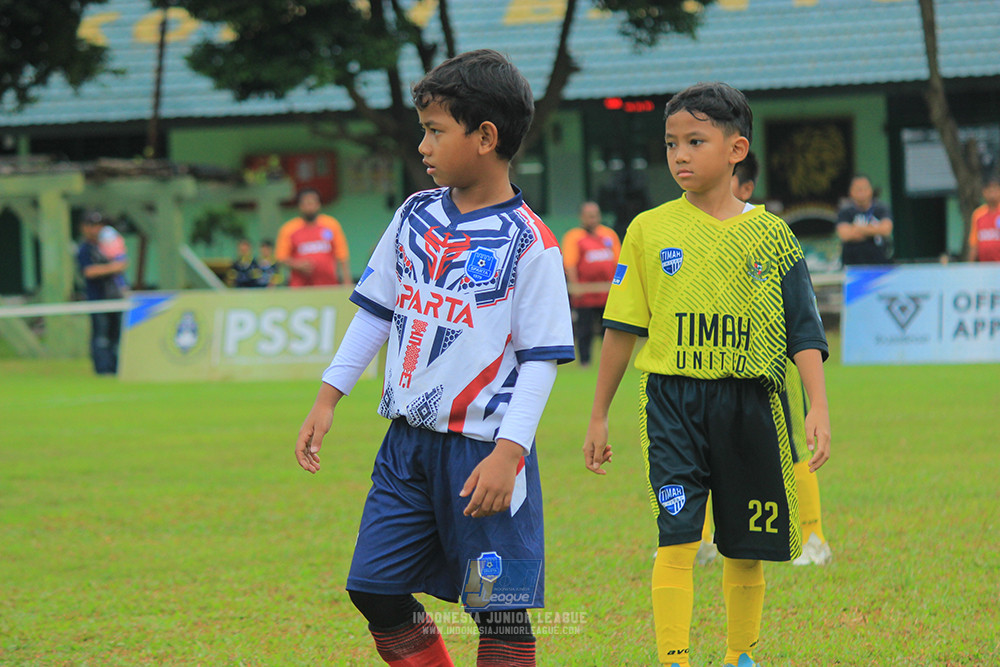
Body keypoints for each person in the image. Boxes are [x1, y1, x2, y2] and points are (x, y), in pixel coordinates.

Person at [294, 49, 574, 667]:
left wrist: (510, 453)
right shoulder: (413, 216)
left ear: (485, 137)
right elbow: (375, 314)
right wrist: (327, 397)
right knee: (373, 586)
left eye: (435, 130)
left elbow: (539, 361)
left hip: (485, 451)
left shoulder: (531, 243)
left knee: (497, 610)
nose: (422, 144)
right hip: (406, 445)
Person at [582, 82, 831, 667]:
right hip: (672, 402)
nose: (680, 155)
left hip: (750, 403)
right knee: (677, 538)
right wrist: (597, 414)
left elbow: (804, 330)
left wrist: (817, 405)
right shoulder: (648, 230)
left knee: (743, 547)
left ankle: (740, 655)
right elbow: (620, 328)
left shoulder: (771, 234)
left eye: (695, 141)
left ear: (736, 149)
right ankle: (674, 658)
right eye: (671, 144)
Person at [696, 152, 833, 568]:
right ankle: (701, 539)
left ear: (745, 186)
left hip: (770, 371)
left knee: (791, 450)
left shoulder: (769, 235)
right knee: (701, 453)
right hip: (711, 368)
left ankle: (813, 538)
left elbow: (801, 314)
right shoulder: (695, 232)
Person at [561, 201, 621, 366]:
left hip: (607, 292)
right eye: (589, 216)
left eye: (595, 215)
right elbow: (570, 264)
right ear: (582, 217)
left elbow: (619, 262)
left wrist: (618, 286)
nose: (592, 219)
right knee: (584, 329)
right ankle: (585, 362)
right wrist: (576, 287)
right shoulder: (574, 236)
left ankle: (610, 362)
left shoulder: (609, 235)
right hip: (584, 293)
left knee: (608, 330)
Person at [76, 210, 129, 375]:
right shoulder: (85, 249)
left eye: (99, 225)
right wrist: (113, 267)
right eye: (91, 225)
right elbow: (88, 272)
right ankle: (103, 369)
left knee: (116, 336)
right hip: (98, 298)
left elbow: (121, 264)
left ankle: (116, 368)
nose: (95, 229)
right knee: (101, 337)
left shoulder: (106, 245)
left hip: (115, 297)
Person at [275, 188, 351, 286]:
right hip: (300, 287)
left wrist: (347, 281)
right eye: (306, 203)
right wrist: (297, 265)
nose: (310, 207)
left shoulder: (331, 225)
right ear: (300, 206)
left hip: (329, 285)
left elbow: (342, 255)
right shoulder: (289, 229)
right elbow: (281, 258)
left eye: (313, 203)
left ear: (318, 204)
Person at [836, 174, 893, 266]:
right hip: (852, 265)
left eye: (865, 189)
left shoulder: (881, 208)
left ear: (871, 190)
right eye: (858, 189)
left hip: (880, 263)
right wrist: (874, 230)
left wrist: (858, 228)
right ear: (851, 192)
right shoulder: (845, 211)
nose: (862, 193)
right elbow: (845, 235)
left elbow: (886, 229)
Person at [968, 174, 1000, 262]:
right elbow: (974, 244)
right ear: (984, 192)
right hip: (984, 267)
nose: (992, 193)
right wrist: (969, 267)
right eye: (989, 190)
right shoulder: (978, 214)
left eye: (995, 190)